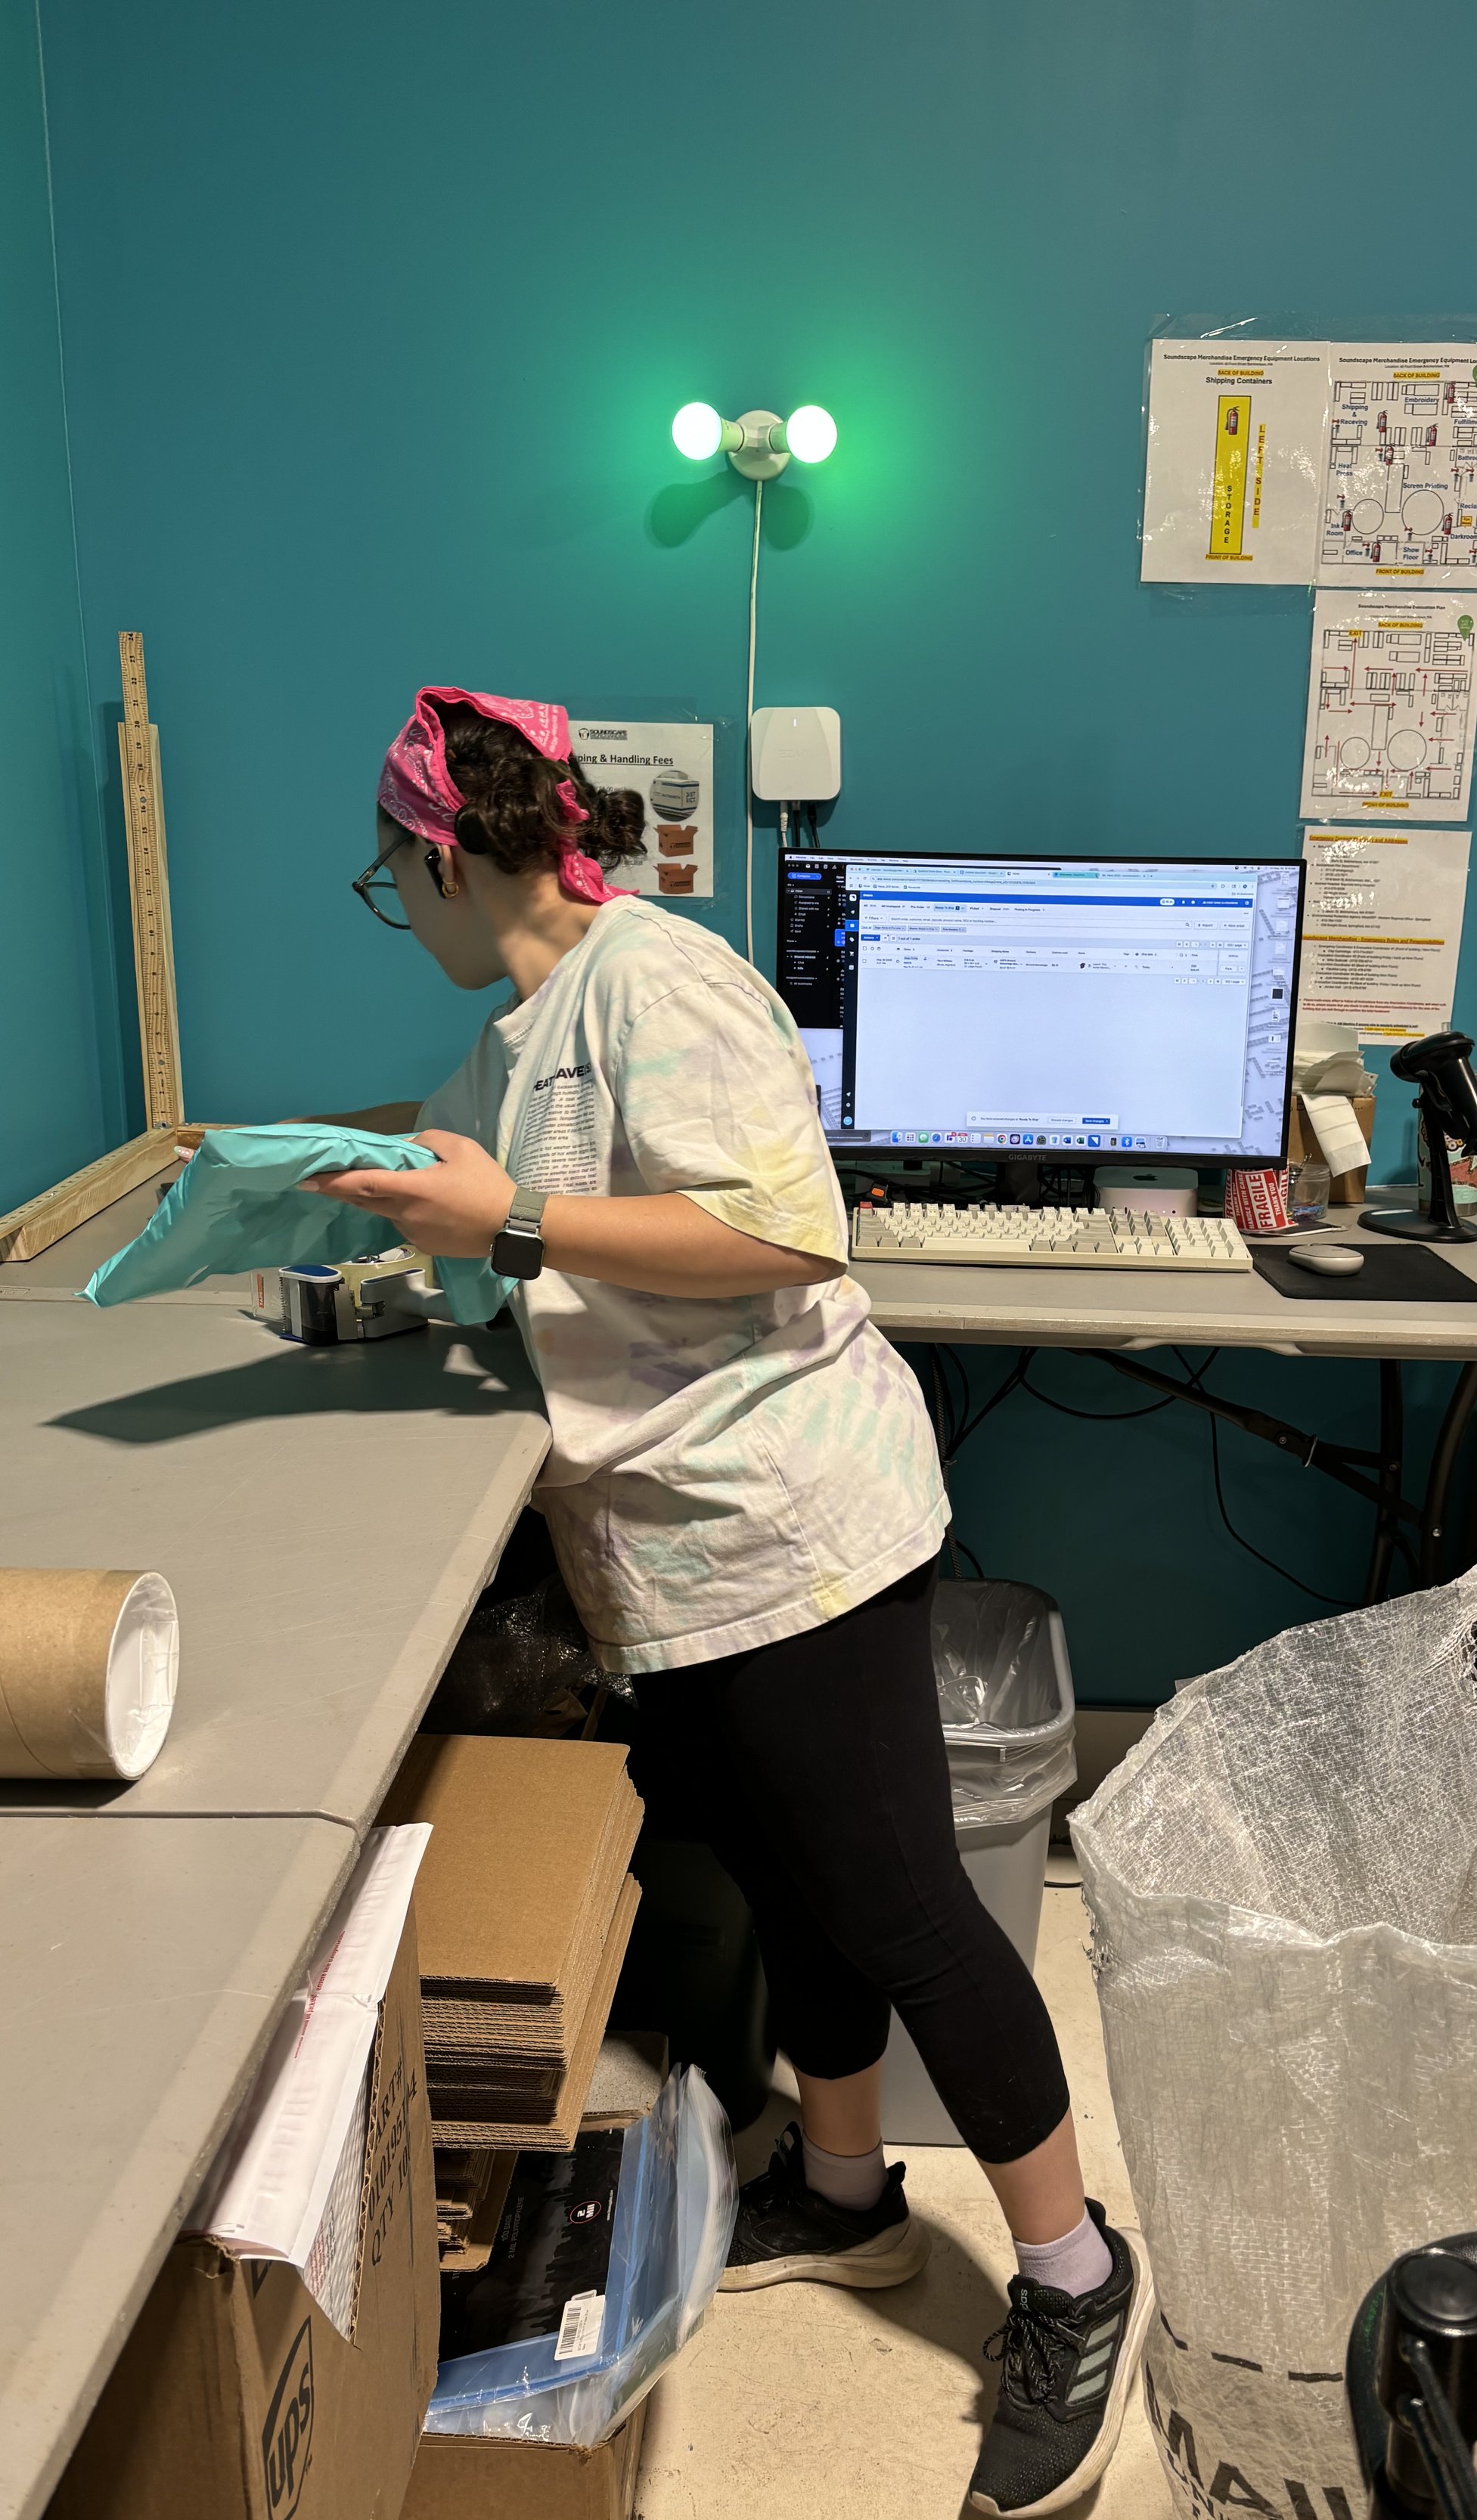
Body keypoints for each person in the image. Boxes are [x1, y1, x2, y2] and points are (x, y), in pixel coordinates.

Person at [316, 687, 1153, 2516]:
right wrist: (317, 1169)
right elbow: (467, 1164)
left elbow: (781, 1231)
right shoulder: (528, 1019)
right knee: (795, 1886)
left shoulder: (658, 980)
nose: (407, 909)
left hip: (794, 1525)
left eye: (397, 881)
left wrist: (511, 1226)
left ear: (443, 856)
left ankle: (1078, 2277)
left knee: (905, 1904)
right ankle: (846, 2197)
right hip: (679, 1543)